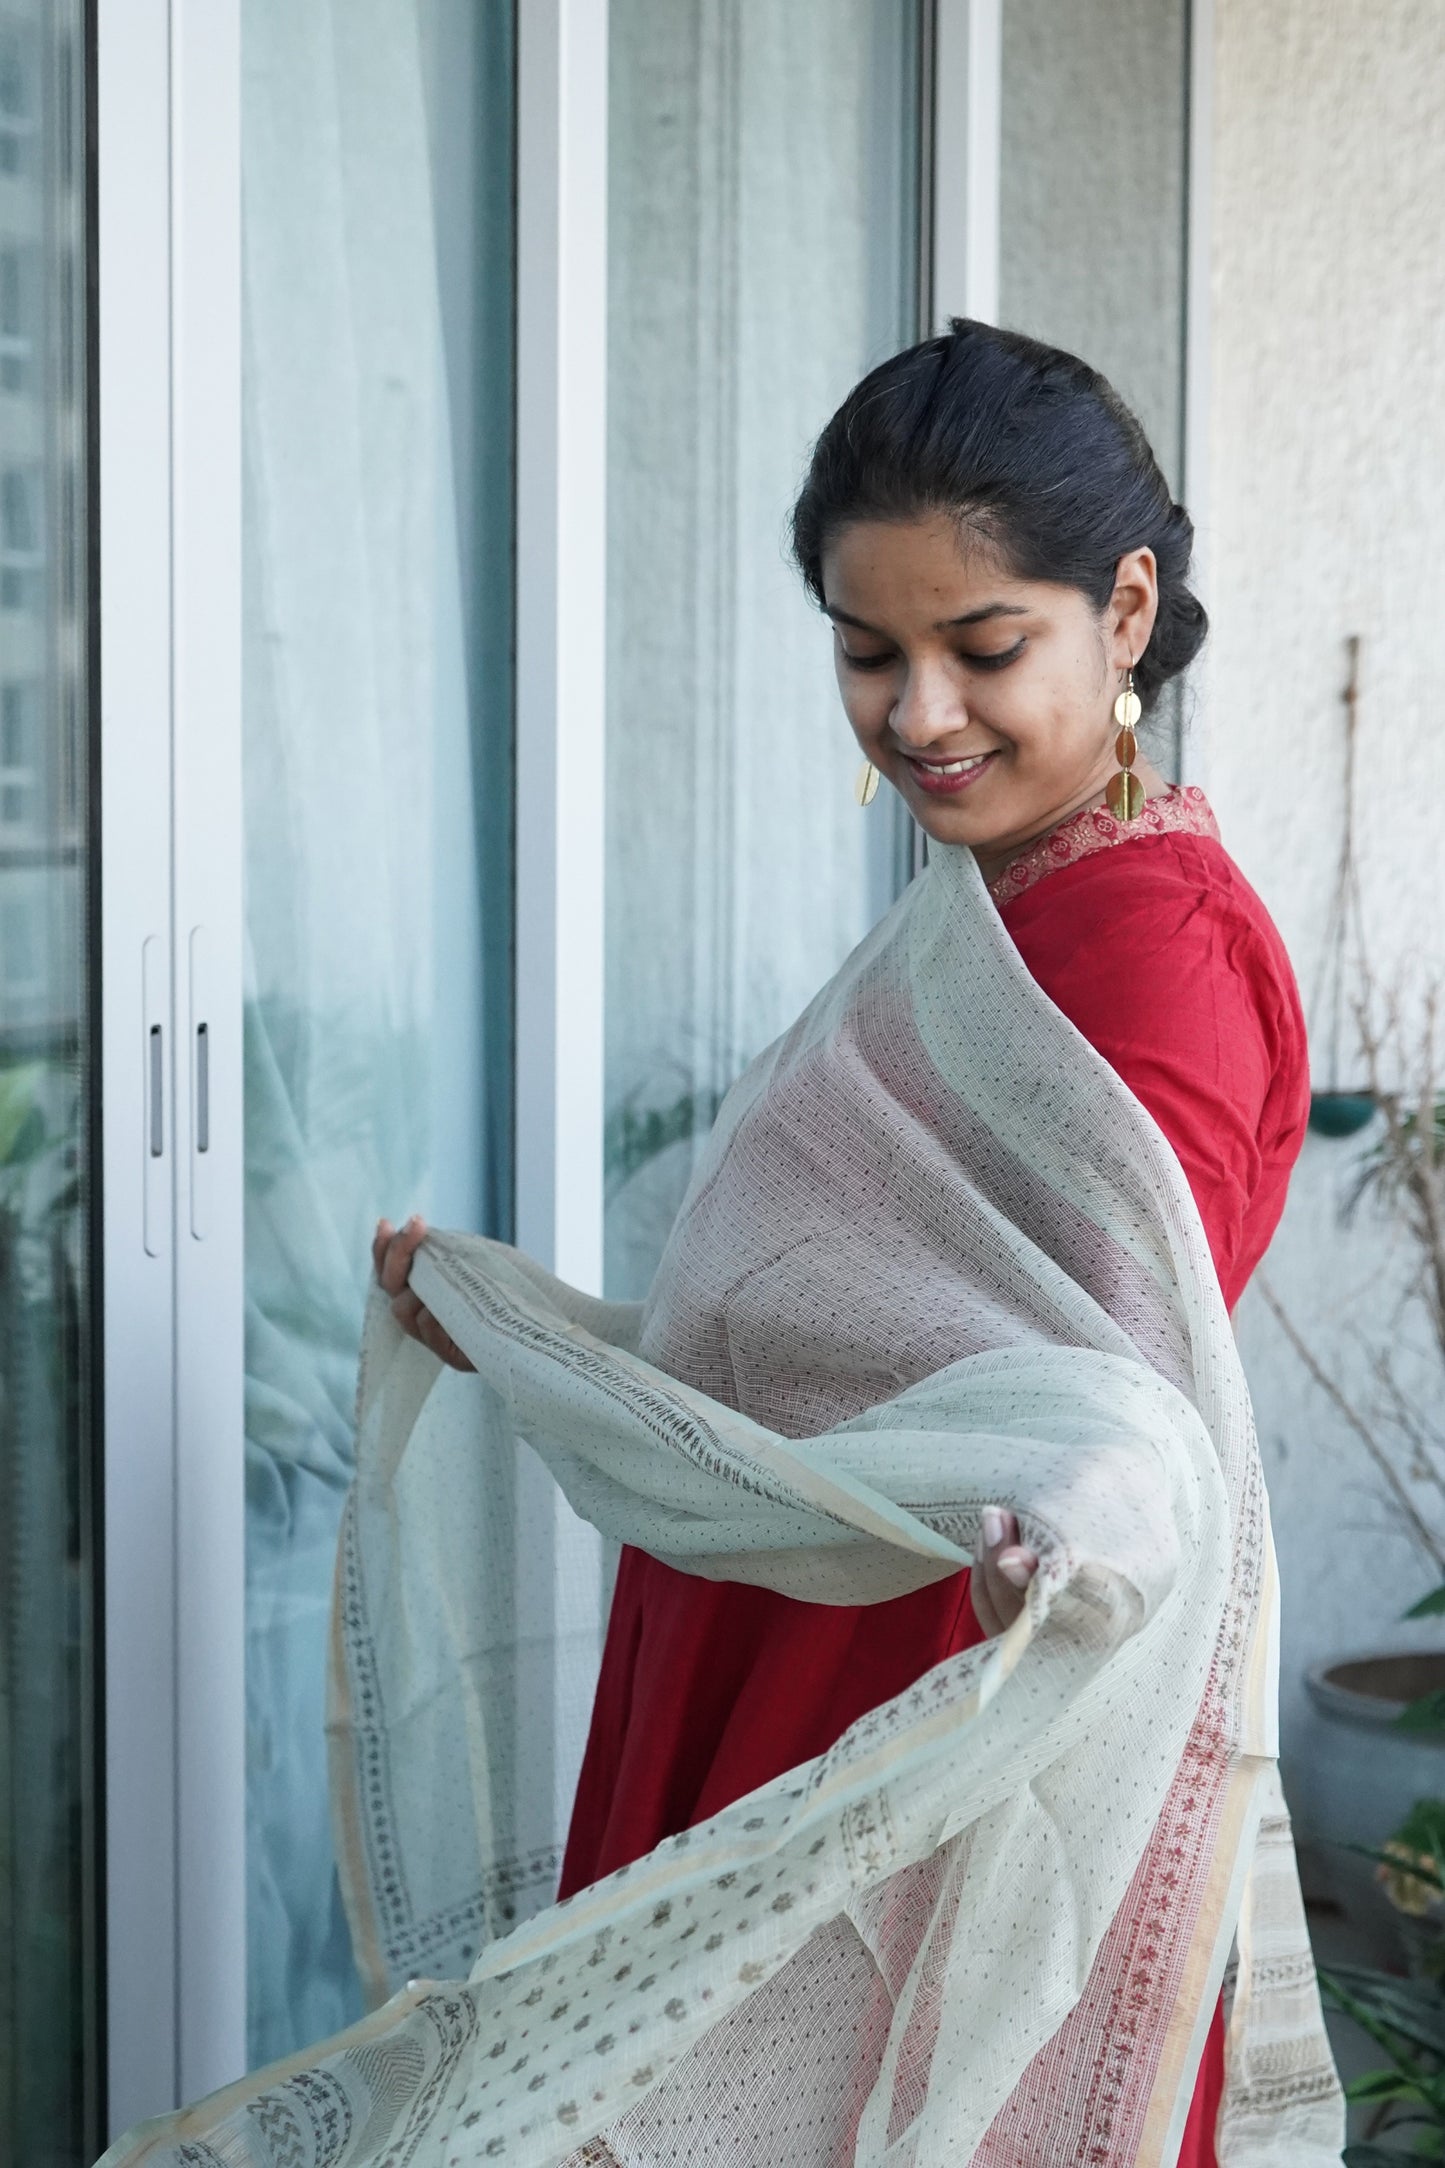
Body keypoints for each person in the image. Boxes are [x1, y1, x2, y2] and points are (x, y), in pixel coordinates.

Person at [105, 322, 1342, 2167]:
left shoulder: (1150, 947)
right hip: (801, 1637)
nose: (920, 713)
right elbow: (862, 1348)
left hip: (922, 1706)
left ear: (1127, 607)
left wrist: (1064, 1529)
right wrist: (539, 1339)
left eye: (983, 646)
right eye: (869, 653)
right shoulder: (995, 904)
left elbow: (1111, 1411)